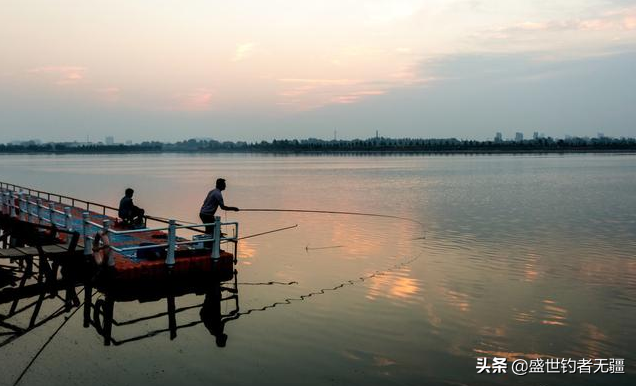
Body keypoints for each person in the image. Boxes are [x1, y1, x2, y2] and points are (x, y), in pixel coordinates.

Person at [199, 178, 239, 246]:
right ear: (220, 185)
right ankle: (212, 248)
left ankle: (209, 246)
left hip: (203, 213)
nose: (225, 186)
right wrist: (234, 208)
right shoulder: (218, 194)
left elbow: (205, 202)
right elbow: (223, 207)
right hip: (207, 215)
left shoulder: (212, 191)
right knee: (216, 231)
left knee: (210, 231)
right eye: (224, 184)